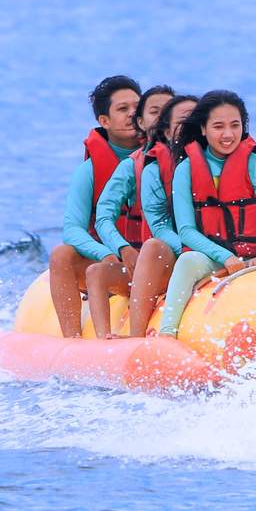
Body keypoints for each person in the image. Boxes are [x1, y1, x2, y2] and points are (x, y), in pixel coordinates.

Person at [159, 90, 256, 338]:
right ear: (203, 129)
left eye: (235, 125)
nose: (228, 134)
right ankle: (167, 333)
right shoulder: (186, 169)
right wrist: (226, 257)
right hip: (212, 259)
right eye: (218, 126)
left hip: (254, 258)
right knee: (187, 262)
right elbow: (186, 231)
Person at [48, 75, 144, 338]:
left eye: (137, 107)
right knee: (61, 254)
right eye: (122, 109)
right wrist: (107, 254)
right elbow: (72, 229)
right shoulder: (89, 171)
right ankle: (72, 339)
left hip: (153, 258)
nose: (132, 114)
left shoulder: (163, 158)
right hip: (111, 264)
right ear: (104, 121)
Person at [84, 85, 178, 338]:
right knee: (96, 271)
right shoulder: (131, 167)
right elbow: (104, 216)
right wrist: (123, 248)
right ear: (141, 121)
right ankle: (106, 341)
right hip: (150, 260)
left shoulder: (201, 160)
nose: (163, 119)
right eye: (155, 112)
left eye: (170, 112)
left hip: (192, 255)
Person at [125, 93, 199, 336]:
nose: (191, 127)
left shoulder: (222, 166)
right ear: (167, 132)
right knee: (154, 246)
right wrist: (192, 249)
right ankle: (136, 336)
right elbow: (159, 226)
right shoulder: (154, 171)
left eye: (197, 120)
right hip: (179, 254)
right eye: (183, 121)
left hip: (221, 253)